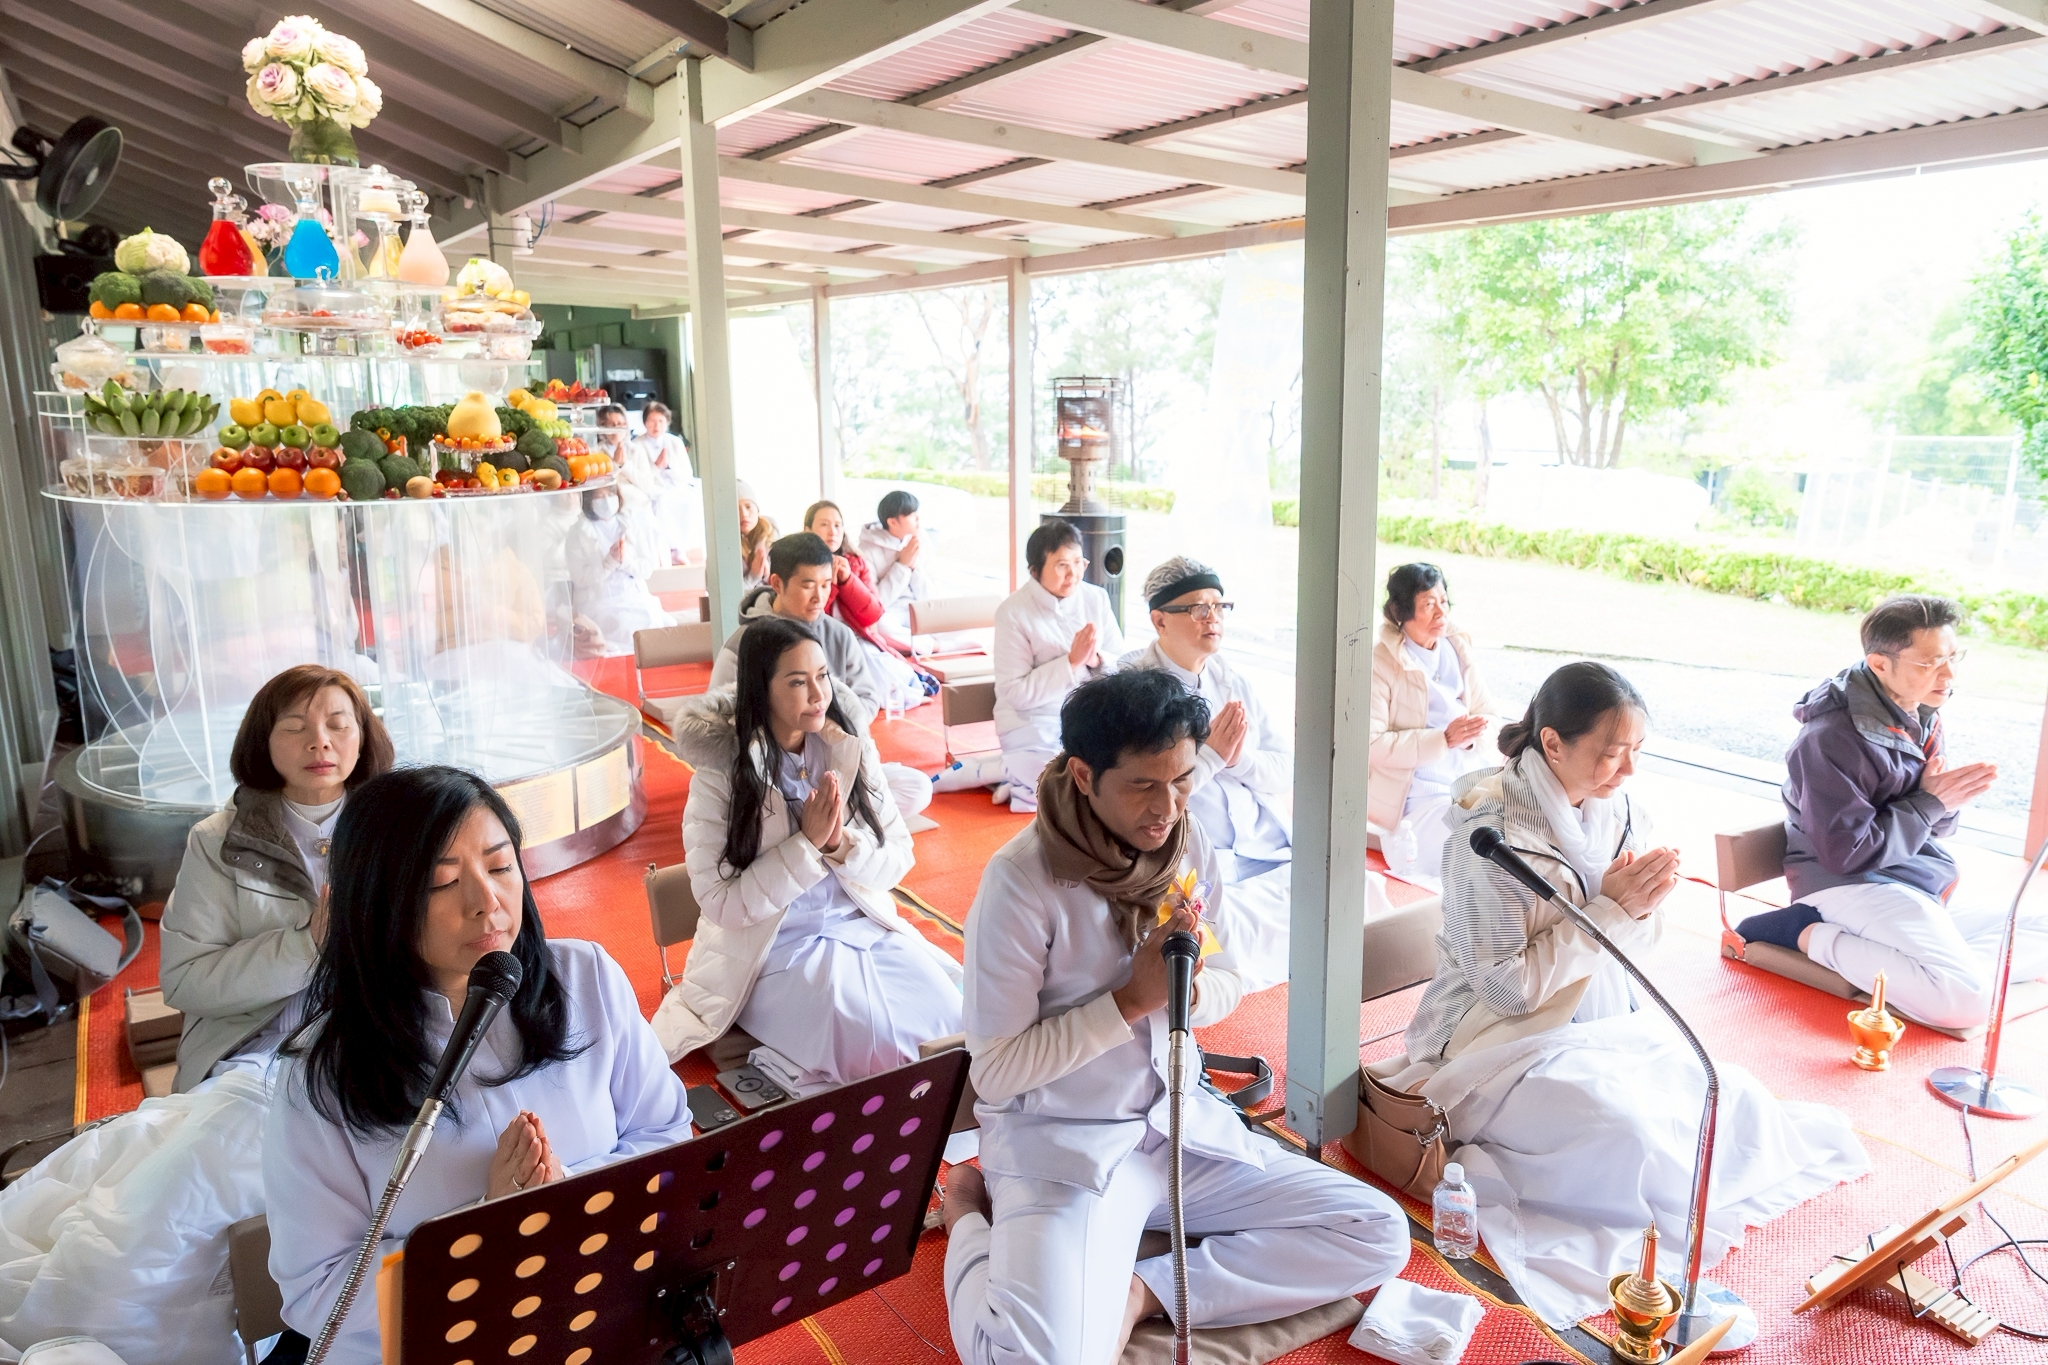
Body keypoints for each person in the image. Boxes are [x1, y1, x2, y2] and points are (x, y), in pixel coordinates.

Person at [941, 670, 1408, 1365]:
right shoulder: (1022, 882)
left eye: (1184, 779)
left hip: (1177, 1127)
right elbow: (999, 1071)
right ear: (1083, 774)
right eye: (1143, 785)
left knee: (1376, 1231)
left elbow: (1225, 977)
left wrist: (1183, 990)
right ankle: (966, 1222)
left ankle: (1144, 1291)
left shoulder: (1185, 847)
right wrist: (1129, 999)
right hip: (1065, 1145)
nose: (1168, 807)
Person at [1392, 662, 1868, 1328]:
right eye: (1612, 754)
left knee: (1731, 1101)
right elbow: (1504, 990)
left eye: (1636, 752)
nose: (1628, 771)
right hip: (1492, 1043)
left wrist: (1641, 910)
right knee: (1630, 1133)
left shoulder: (1620, 811)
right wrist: (1613, 912)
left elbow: (1640, 948)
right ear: (1552, 743)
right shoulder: (1489, 834)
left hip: (1603, 1019)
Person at [263, 766, 693, 1364]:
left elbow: (665, 1136)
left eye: (499, 867)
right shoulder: (321, 1077)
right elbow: (317, 1291)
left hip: (596, 1313)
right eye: (442, 882)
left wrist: (567, 1203)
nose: (486, 902)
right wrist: (484, 1237)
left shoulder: (586, 978)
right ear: (377, 898)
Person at [651, 618, 963, 1087]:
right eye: (798, 682)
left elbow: (899, 855)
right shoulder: (720, 776)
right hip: (774, 951)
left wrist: (840, 845)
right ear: (761, 690)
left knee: (952, 1013)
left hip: (861, 925)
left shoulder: (849, 747)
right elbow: (723, 905)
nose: (819, 694)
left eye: (822, 676)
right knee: (871, 1043)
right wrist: (807, 845)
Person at [1746, 594, 2048, 1029]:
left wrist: (1940, 802)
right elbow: (1844, 854)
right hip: (1846, 885)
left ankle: (1934, 971)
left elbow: (1936, 828)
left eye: (1952, 657)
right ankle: (1805, 934)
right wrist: (1931, 802)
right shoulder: (1828, 737)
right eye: (1930, 664)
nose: (1948, 675)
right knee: (1966, 1003)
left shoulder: (1922, 712)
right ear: (1880, 664)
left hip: (1910, 877)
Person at [160, 666, 394, 1093]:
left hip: (378, 1040)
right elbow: (184, 980)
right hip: (259, 1051)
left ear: (362, 739)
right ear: (262, 742)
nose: (320, 740)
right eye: (294, 727)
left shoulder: (400, 830)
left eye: (339, 725)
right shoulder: (217, 842)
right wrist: (307, 946)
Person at [1118, 556, 1293, 991]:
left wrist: (1239, 760)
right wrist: (1212, 756)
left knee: (1355, 891)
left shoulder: (1233, 681)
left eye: (1219, 606)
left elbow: (1284, 770)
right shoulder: (1131, 689)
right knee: (1233, 937)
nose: (1212, 618)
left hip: (1266, 845)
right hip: (1201, 859)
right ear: (1159, 619)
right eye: (1198, 607)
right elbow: (1137, 797)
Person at [709, 532, 934, 823]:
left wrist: (828, 729)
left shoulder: (838, 634)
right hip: (773, 769)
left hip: (833, 760)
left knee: (916, 787)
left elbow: (865, 697)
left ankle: (823, 821)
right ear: (776, 583)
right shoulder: (744, 644)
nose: (820, 596)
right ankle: (824, 822)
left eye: (827, 585)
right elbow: (721, 717)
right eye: (808, 585)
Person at [1370, 563, 1494, 888]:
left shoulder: (1457, 646)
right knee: (1478, 843)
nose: (1442, 611)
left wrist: (1473, 736)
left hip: (1469, 780)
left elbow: (1487, 712)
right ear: (1401, 613)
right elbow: (1371, 745)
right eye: (1428, 604)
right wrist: (1443, 739)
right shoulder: (1381, 663)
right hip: (1417, 802)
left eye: (1444, 600)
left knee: (1518, 823)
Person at [992, 520, 1124, 814]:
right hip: (1032, 721)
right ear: (1035, 570)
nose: (1073, 573)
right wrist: (1071, 663)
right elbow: (1014, 692)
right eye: (1062, 565)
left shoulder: (1095, 598)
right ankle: (1002, 771)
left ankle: (1014, 778)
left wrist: (1096, 660)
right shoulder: (1013, 612)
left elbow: (1123, 663)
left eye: (1079, 562)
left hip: (1090, 715)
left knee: (1119, 767)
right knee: (1066, 780)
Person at [807, 498, 927, 714]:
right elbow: (811, 618)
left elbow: (873, 613)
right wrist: (831, 585)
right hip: (820, 641)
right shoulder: (803, 568)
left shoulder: (855, 561)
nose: (832, 531)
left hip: (859, 639)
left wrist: (847, 580)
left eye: (837, 525)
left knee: (887, 679)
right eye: (824, 525)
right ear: (808, 530)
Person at [564, 483, 673, 657]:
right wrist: (608, 563)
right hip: (601, 598)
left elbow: (646, 568)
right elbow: (580, 578)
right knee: (622, 627)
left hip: (634, 594)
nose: (606, 501)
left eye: (610, 494)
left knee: (651, 624)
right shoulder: (578, 532)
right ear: (588, 501)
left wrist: (625, 560)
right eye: (599, 497)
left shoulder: (630, 524)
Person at [857, 488, 930, 617]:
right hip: (889, 613)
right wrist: (902, 566)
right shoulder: (867, 550)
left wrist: (913, 567)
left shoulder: (919, 538)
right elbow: (876, 602)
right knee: (885, 628)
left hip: (918, 607)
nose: (917, 518)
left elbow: (928, 595)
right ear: (893, 522)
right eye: (911, 514)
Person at [738, 478, 777, 591]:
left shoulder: (772, 535)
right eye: (736, 508)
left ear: (757, 510)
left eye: (748, 506)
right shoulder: (724, 546)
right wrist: (752, 578)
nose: (744, 514)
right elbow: (724, 596)